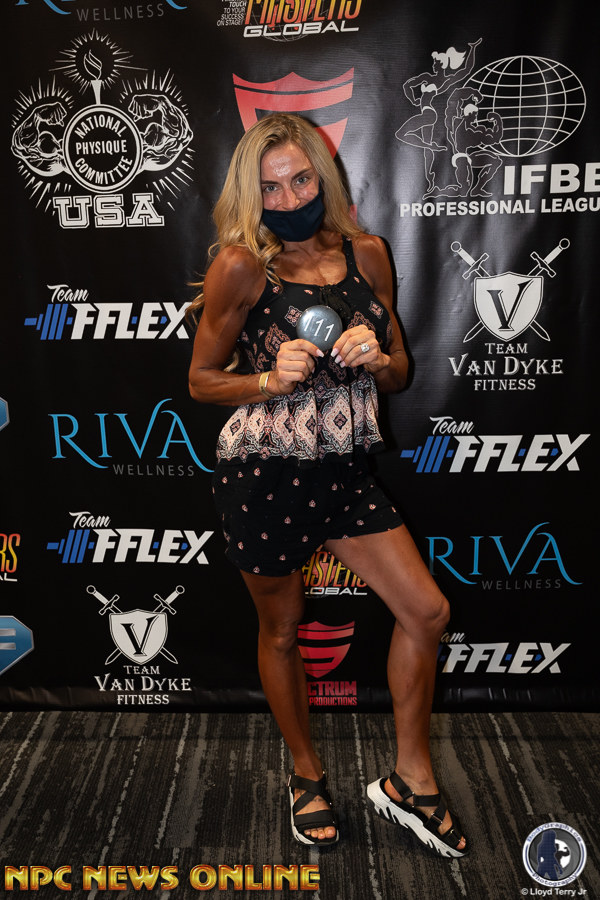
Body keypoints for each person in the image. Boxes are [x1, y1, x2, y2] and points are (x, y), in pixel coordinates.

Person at [188, 112, 467, 857]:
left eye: (301, 180)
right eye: (270, 188)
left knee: (427, 612)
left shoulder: (368, 253)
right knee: (281, 631)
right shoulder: (242, 267)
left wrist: (378, 358)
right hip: (264, 475)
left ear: (324, 177)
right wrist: (265, 379)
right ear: (251, 194)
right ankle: (306, 775)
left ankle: (410, 779)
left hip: (344, 471)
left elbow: (399, 372)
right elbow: (200, 380)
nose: (288, 199)